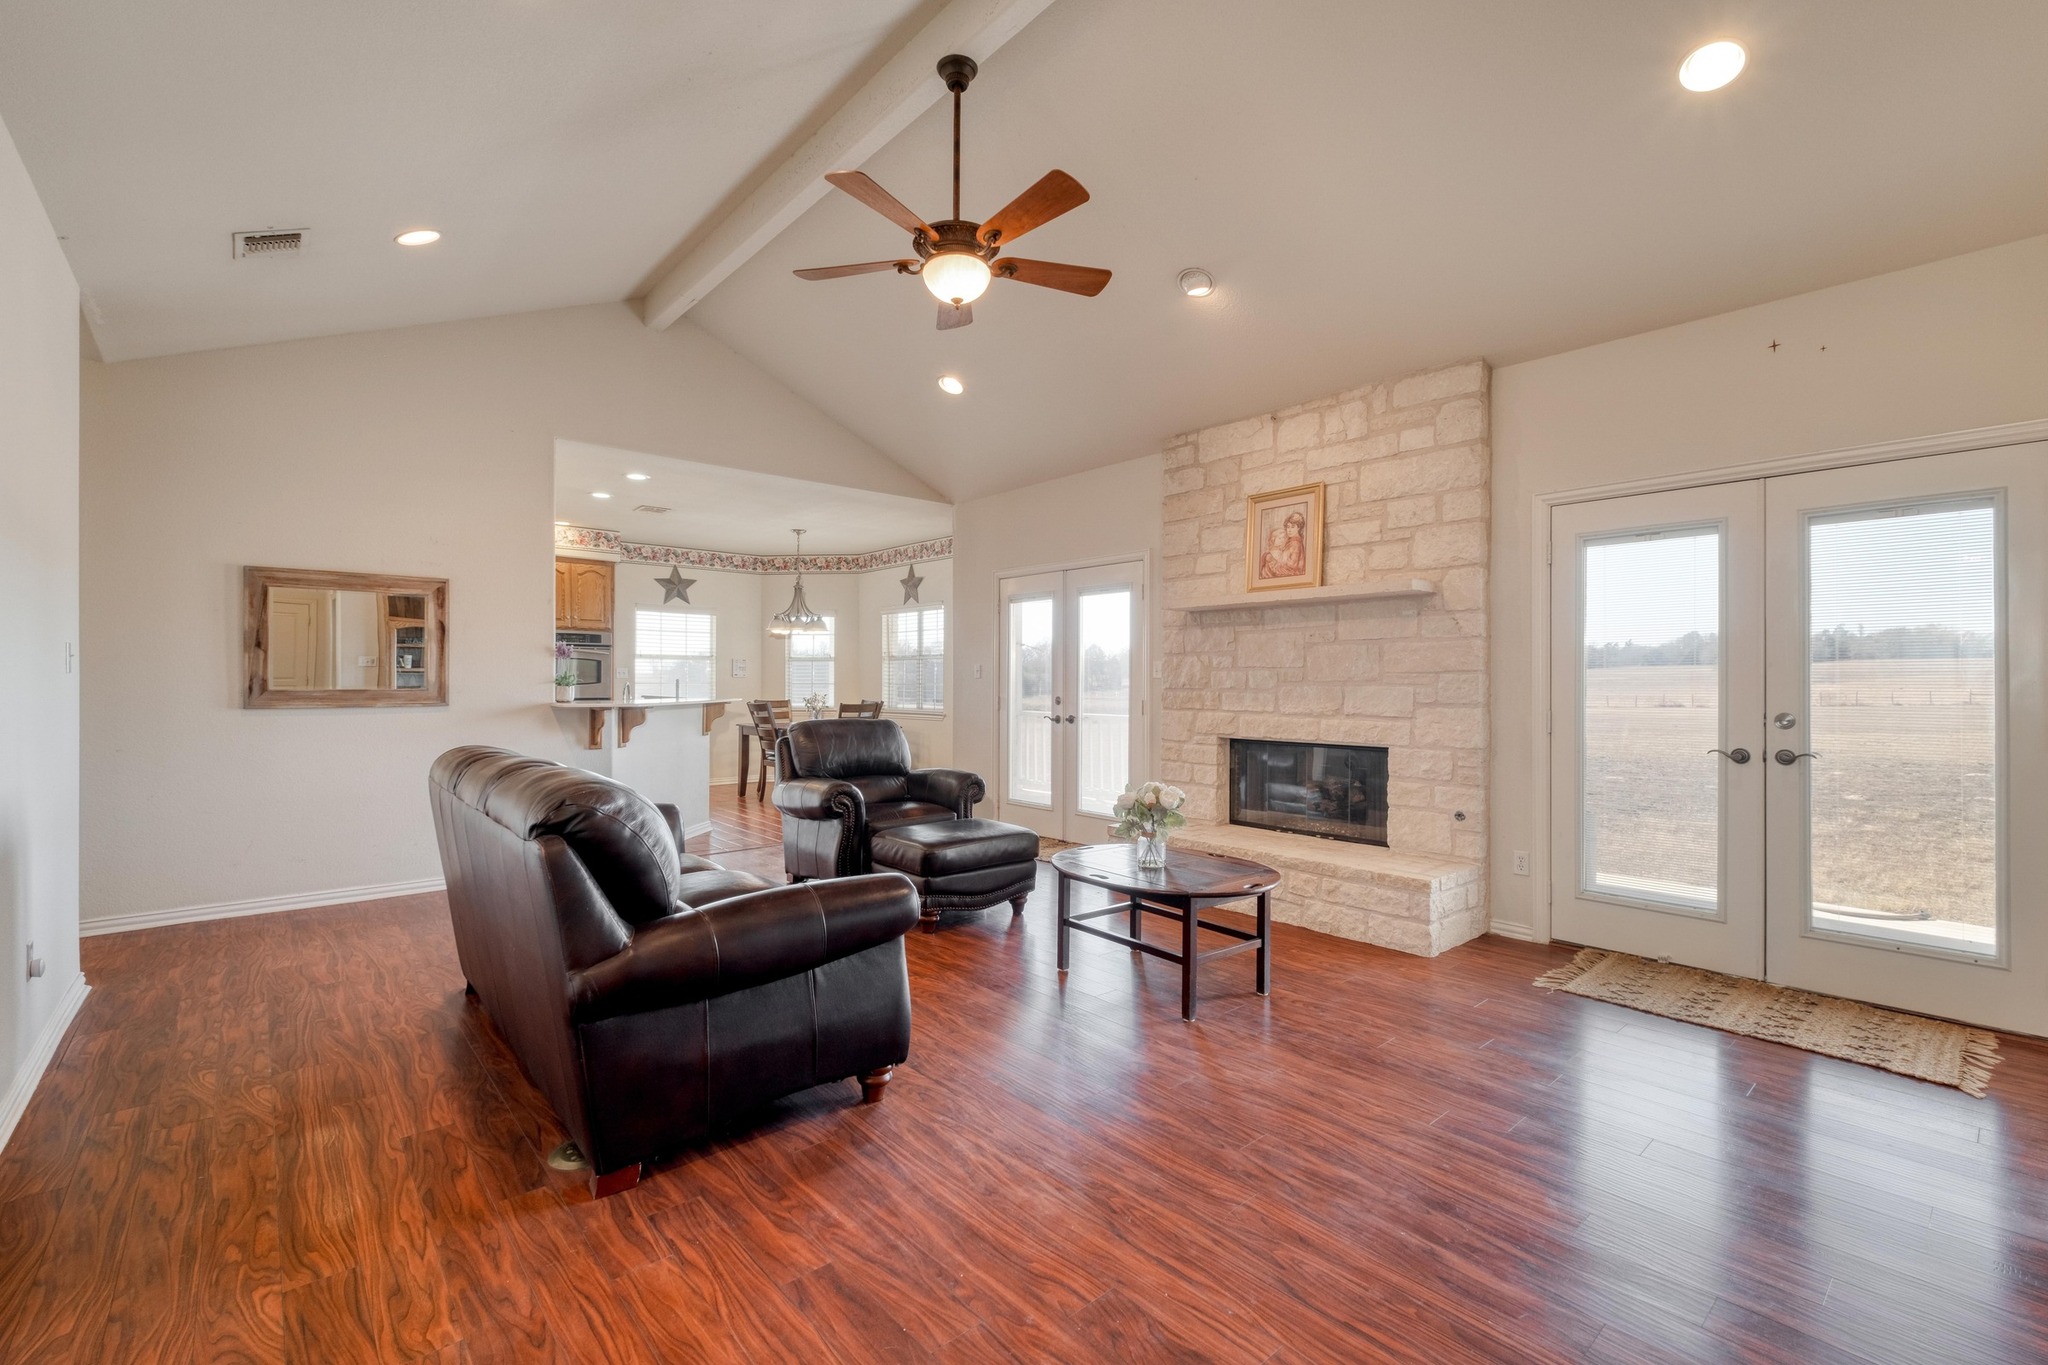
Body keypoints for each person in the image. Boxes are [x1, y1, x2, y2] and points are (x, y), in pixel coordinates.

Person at [1259, 508, 1308, 580]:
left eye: (1292, 527)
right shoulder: (1290, 541)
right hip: (1285, 571)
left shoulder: (1295, 543)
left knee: (1267, 559)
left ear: (1298, 528)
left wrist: (1276, 559)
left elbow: (1292, 565)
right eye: (1288, 527)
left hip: (1291, 574)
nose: (1289, 530)